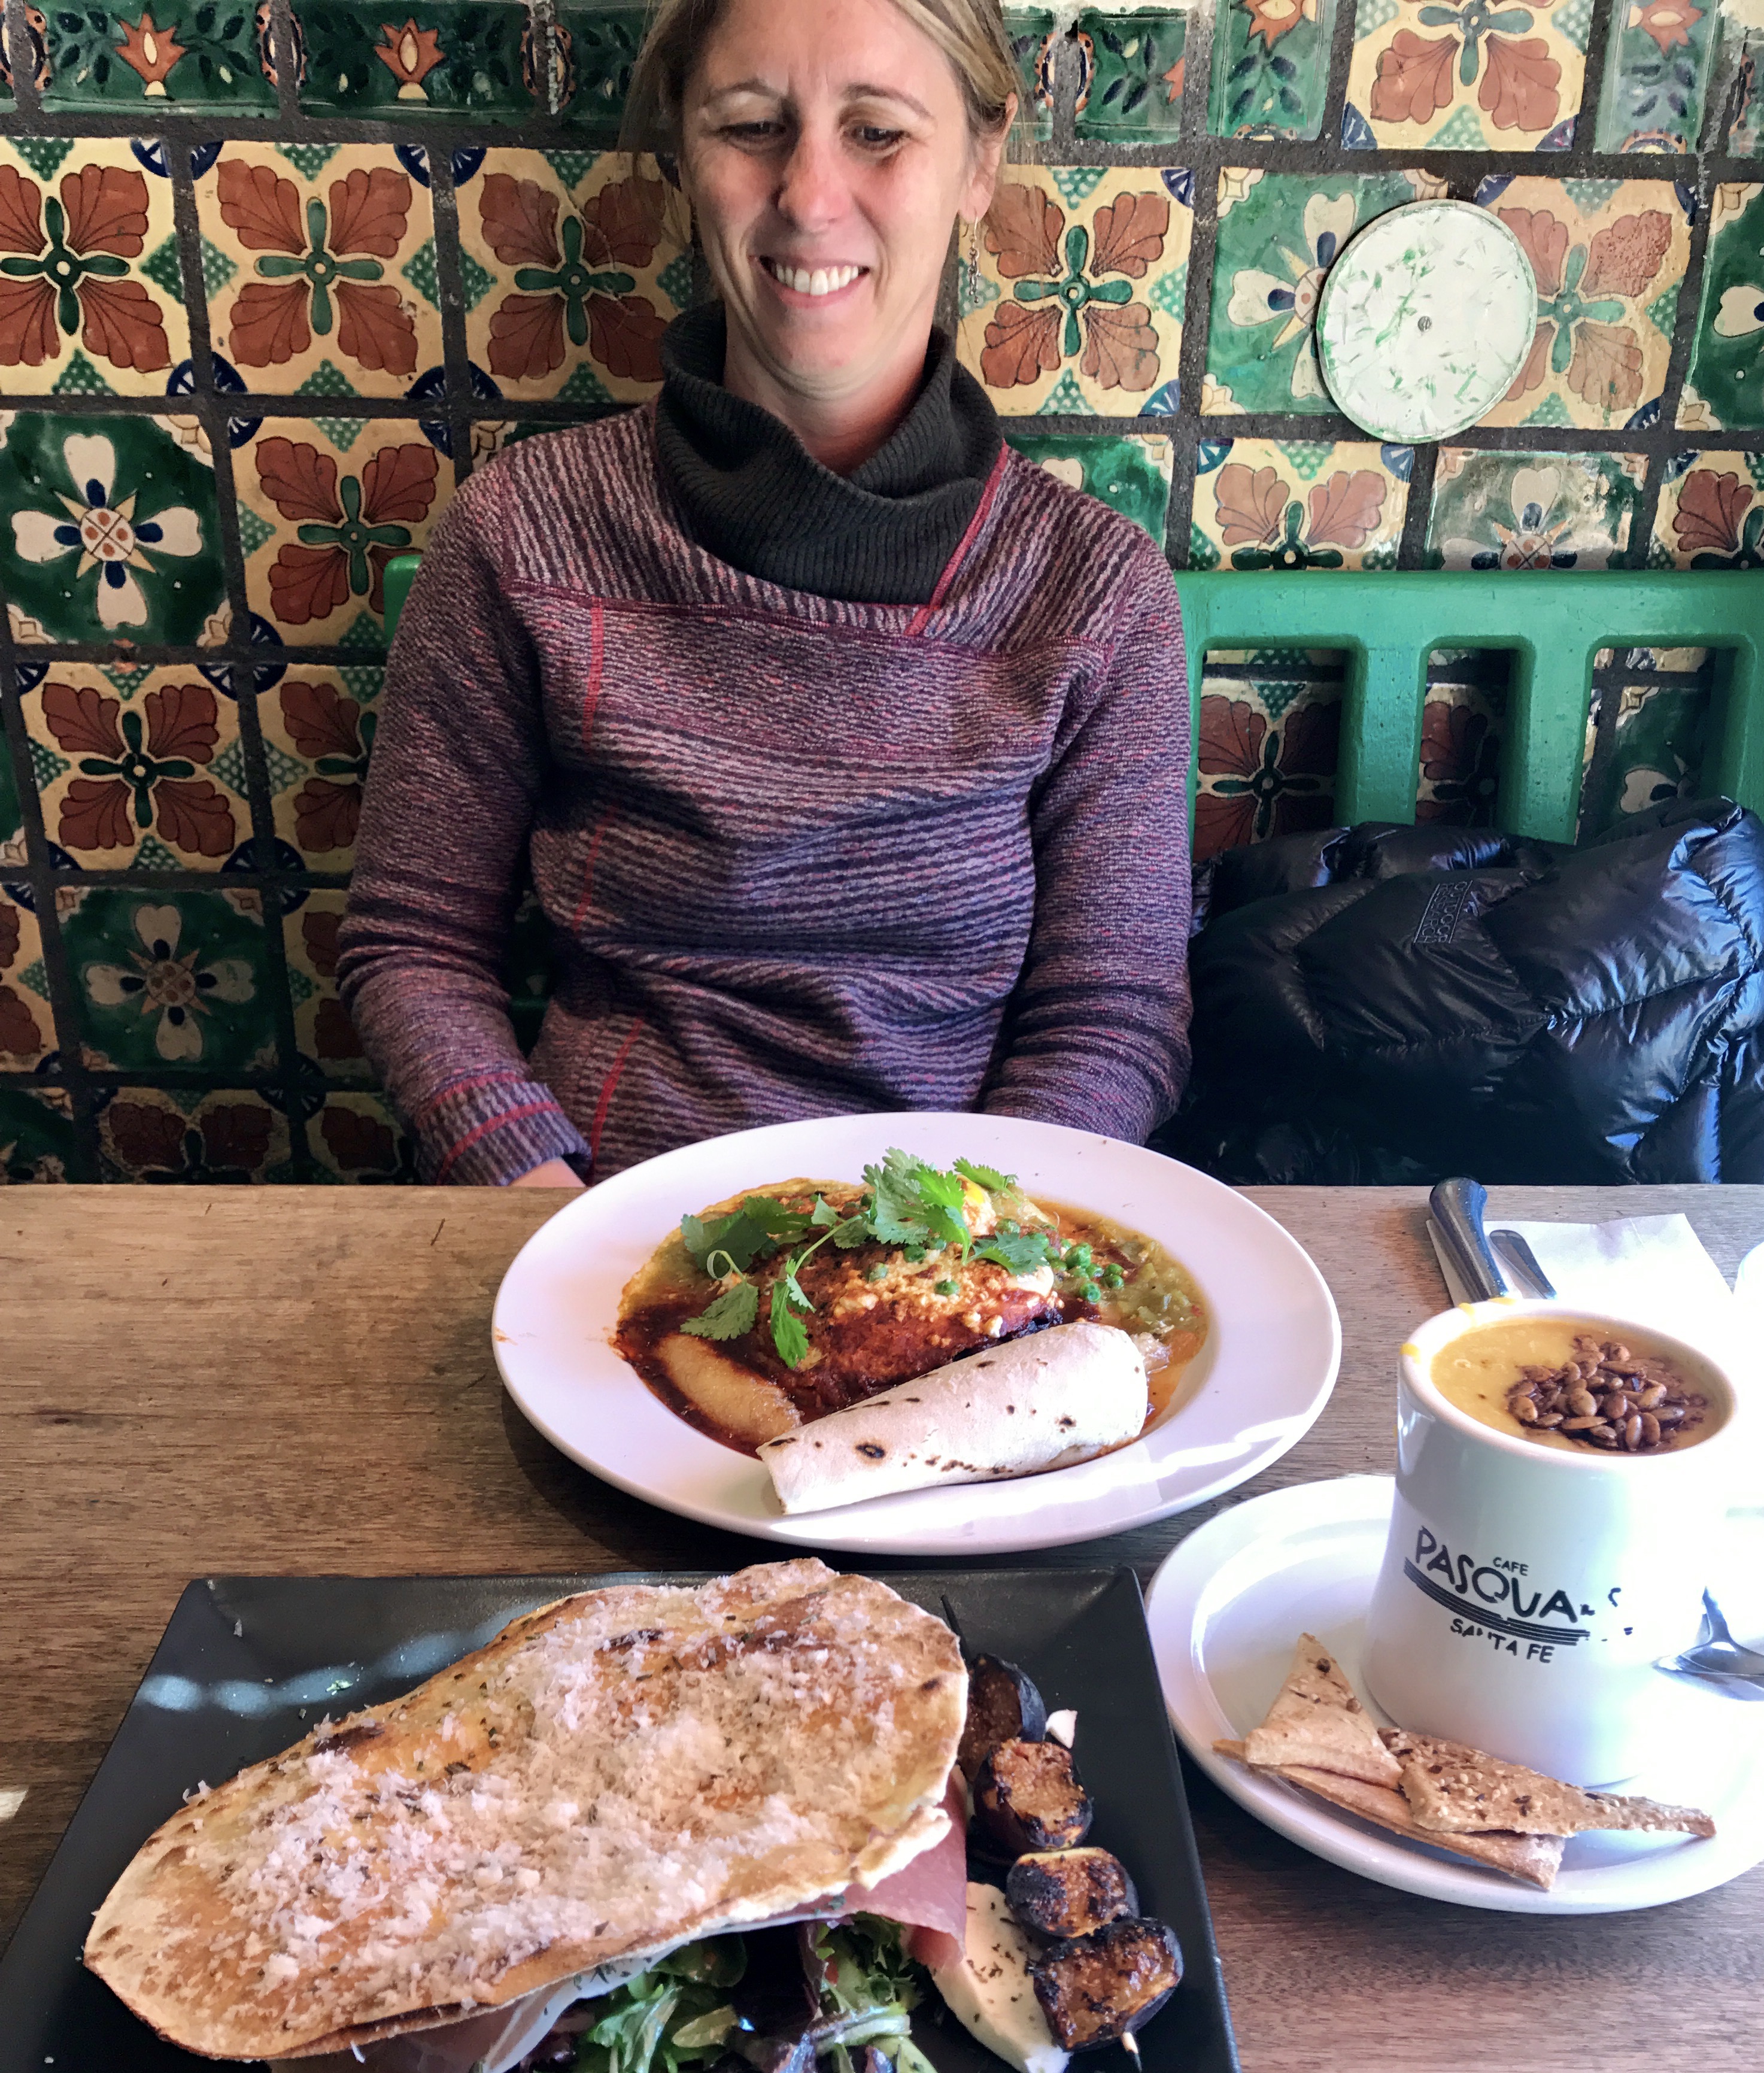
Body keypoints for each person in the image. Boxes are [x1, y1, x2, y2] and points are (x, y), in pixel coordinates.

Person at [339, 0, 1193, 1189]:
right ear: (686, 152)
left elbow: (1113, 1018)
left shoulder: (1097, 592)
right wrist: (543, 1212)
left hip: (960, 1245)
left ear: (980, 161)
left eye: (878, 132)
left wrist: (963, 1253)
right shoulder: (522, 532)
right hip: (592, 1226)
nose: (810, 195)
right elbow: (411, 946)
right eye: (751, 127)